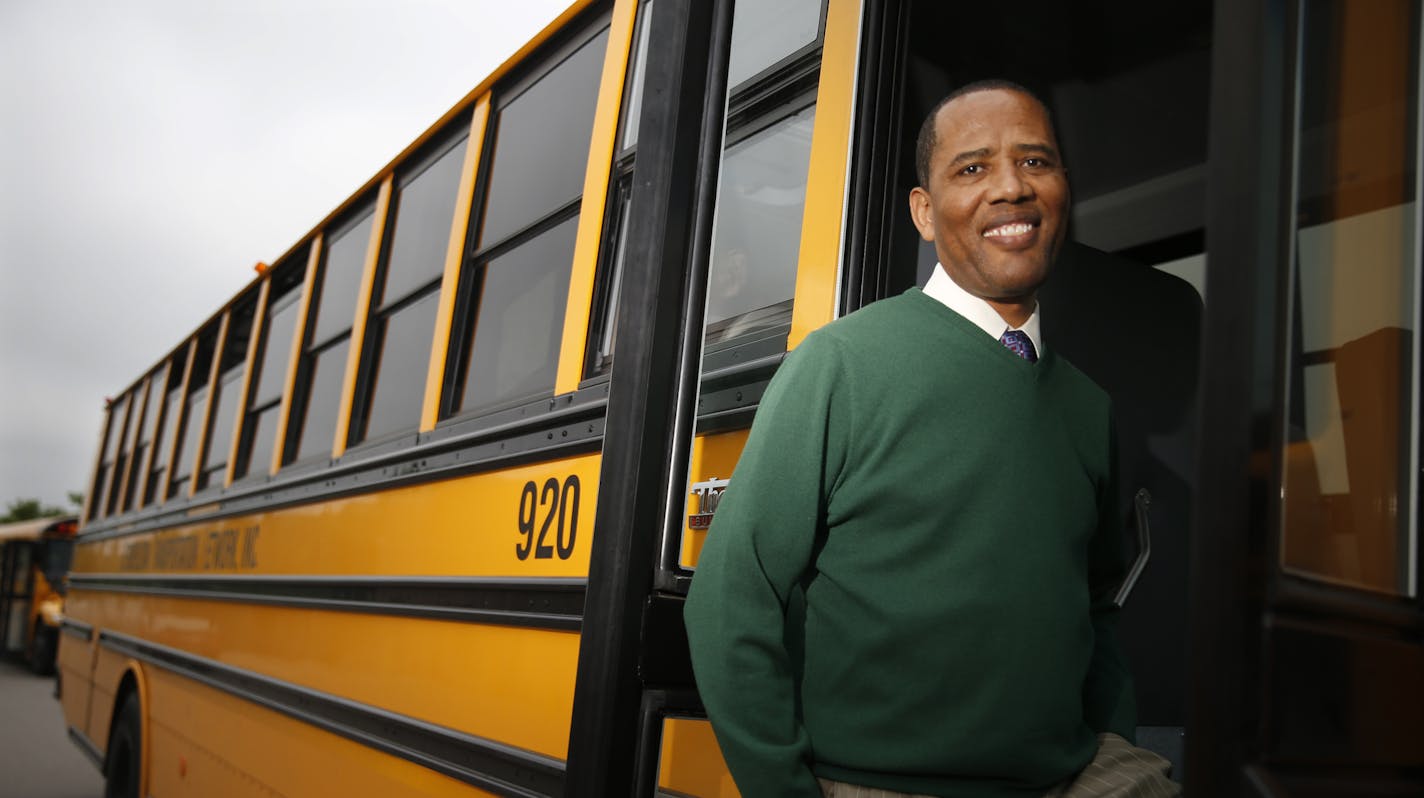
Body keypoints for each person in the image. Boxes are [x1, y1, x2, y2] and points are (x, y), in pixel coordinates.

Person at [682, 80, 1179, 797]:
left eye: (1036, 162)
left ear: (1064, 190)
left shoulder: (1087, 407)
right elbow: (733, 597)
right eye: (972, 168)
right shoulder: (840, 364)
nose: (1011, 187)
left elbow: (1094, 604)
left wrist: (1112, 739)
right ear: (924, 210)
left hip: (1077, 775)